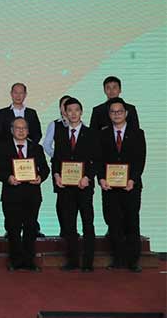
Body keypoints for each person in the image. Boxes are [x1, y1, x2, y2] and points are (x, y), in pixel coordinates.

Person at [0, 117, 49, 272]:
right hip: (11, 194)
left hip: (32, 195)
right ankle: (15, 260)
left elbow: (45, 169)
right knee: (13, 228)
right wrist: (8, 178)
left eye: (24, 128)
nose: (21, 131)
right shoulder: (3, 148)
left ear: (28, 130)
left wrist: (40, 177)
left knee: (31, 228)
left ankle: (29, 261)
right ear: (12, 130)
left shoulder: (36, 148)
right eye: (18, 128)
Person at [51, 98, 99, 272]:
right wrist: (56, 175)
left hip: (84, 186)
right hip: (66, 187)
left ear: (81, 112)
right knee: (69, 225)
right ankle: (72, 261)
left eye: (76, 110)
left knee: (88, 223)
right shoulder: (60, 133)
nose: (73, 113)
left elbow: (97, 159)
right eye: (69, 110)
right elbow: (56, 158)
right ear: (65, 112)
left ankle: (88, 262)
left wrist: (88, 177)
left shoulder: (91, 133)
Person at [98, 98, 146, 273]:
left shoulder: (137, 133)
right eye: (113, 112)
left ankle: (133, 261)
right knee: (114, 222)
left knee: (132, 221)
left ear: (126, 113)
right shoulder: (103, 134)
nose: (116, 114)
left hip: (131, 186)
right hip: (110, 187)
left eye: (119, 111)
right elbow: (99, 159)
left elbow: (140, 159)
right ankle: (118, 259)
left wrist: (132, 179)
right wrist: (101, 178)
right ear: (109, 114)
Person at [0, 82, 44, 237]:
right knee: (13, 228)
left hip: (29, 173)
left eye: (21, 92)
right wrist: (12, 149)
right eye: (15, 92)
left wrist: (27, 152)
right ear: (11, 93)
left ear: (25, 94)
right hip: (10, 170)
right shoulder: (2, 113)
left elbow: (37, 134)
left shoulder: (32, 113)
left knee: (30, 227)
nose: (18, 95)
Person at [43, 95, 71, 237]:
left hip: (77, 169)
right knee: (62, 198)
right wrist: (57, 156)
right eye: (64, 105)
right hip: (60, 168)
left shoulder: (82, 125)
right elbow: (47, 145)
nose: (67, 109)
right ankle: (64, 229)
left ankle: (72, 229)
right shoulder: (54, 124)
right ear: (60, 108)